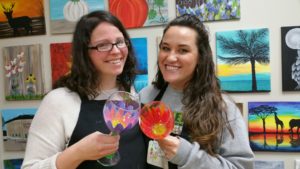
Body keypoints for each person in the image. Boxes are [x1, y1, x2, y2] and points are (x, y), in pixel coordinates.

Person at [22, 10, 147, 169]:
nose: (116, 51)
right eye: (103, 45)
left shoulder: (132, 94)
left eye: (120, 42)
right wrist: (78, 152)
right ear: (84, 53)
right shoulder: (59, 101)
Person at [139, 14, 254, 169]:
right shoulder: (146, 96)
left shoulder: (223, 108)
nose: (171, 57)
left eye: (183, 50)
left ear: (200, 57)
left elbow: (241, 167)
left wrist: (186, 155)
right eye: (165, 48)